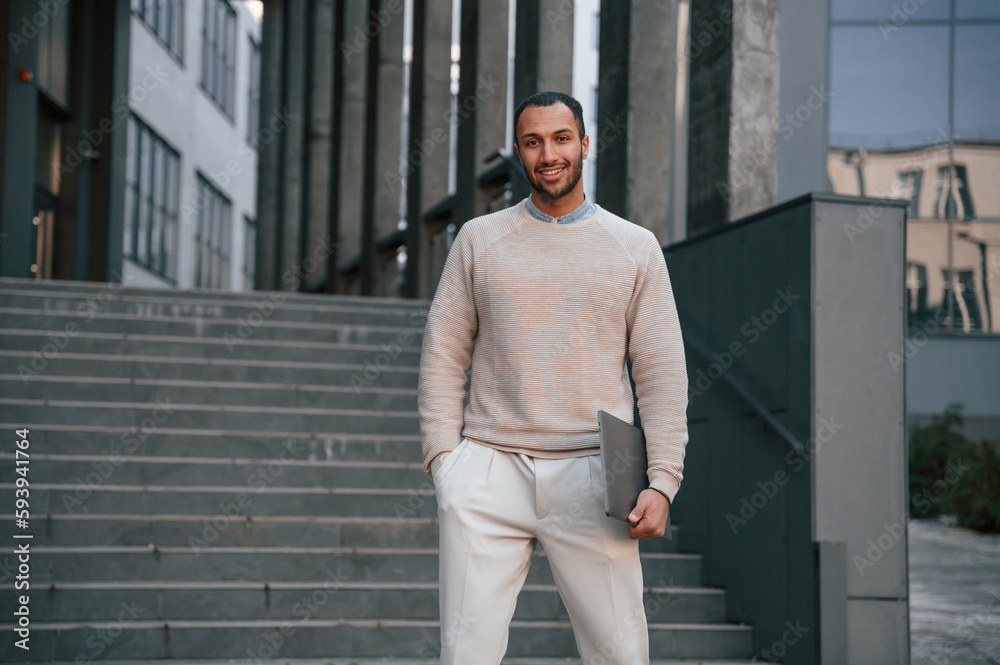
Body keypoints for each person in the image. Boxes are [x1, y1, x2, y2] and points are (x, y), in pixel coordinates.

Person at [417, 91, 689, 665]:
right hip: (489, 469)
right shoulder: (477, 239)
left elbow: (661, 371)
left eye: (562, 138)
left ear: (585, 144)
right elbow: (443, 353)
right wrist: (446, 462)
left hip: (596, 471)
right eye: (533, 142)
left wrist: (662, 481)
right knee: (464, 654)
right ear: (519, 152)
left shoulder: (634, 248)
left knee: (621, 654)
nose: (549, 154)